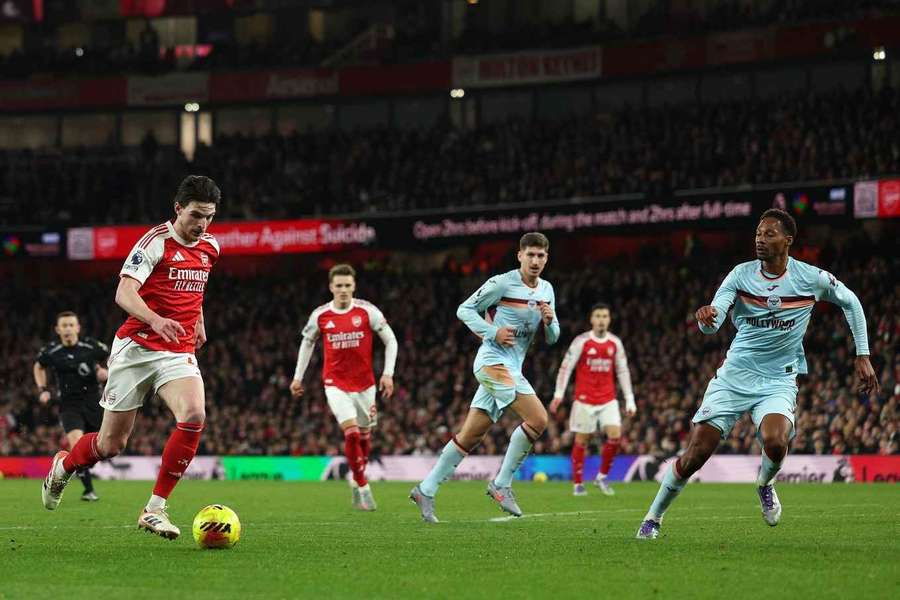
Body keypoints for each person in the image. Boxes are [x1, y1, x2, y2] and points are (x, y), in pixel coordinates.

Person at [636, 209, 880, 539]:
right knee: (696, 454)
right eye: (757, 234)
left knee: (776, 442)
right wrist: (706, 318)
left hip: (778, 378)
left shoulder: (811, 278)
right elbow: (714, 320)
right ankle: (653, 517)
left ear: (787, 241)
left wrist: (862, 354)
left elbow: (851, 302)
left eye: (768, 234)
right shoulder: (740, 275)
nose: (760, 240)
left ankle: (765, 483)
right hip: (735, 375)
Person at [41, 175, 222, 541]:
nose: (202, 224)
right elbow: (124, 293)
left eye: (209, 216)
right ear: (178, 209)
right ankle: (65, 466)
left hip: (178, 350)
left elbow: (196, 288)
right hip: (136, 349)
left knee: (194, 414)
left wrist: (198, 321)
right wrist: (156, 319)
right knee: (110, 446)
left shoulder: (211, 247)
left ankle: (154, 509)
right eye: (195, 215)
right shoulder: (155, 242)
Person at [410, 232, 560, 523]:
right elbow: (463, 309)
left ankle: (425, 490)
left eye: (541, 255)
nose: (535, 260)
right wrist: (492, 332)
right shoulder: (502, 283)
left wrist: (551, 322)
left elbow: (553, 338)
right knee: (538, 419)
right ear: (520, 255)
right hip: (492, 362)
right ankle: (501, 484)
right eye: (530, 254)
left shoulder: (547, 290)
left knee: (471, 435)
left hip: (512, 367)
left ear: (546, 258)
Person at [290, 264, 398, 511]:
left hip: (365, 385)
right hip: (335, 384)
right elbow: (307, 344)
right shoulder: (321, 315)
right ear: (331, 287)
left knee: (364, 437)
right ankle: (363, 485)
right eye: (338, 286)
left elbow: (391, 340)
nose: (343, 290)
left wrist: (388, 374)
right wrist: (298, 377)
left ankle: (356, 477)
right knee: (350, 433)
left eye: (347, 285)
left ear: (354, 286)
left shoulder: (367, 311)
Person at [550, 303, 635, 496]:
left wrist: (629, 399)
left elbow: (623, 371)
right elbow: (566, 368)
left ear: (609, 319)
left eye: (605, 316)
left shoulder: (615, 343)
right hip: (584, 399)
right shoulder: (581, 341)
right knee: (582, 440)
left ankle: (602, 477)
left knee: (615, 436)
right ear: (591, 319)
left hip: (608, 399)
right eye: (598, 316)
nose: (601, 320)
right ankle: (578, 484)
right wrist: (558, 394)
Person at [34, 311, 109, 501]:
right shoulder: (51, 351)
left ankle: (80, 468)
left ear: (77, 328)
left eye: (71, 325)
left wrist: (105, 371)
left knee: (101, 449)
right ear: (58, 330)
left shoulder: (92, 347)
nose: (67, 329)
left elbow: (114, 357)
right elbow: (39, 366)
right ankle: (89, 491)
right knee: (76, 443)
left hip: (94, 404)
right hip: (69, 405)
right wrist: (42, 389)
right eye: (64, 326)